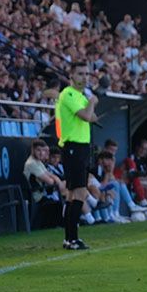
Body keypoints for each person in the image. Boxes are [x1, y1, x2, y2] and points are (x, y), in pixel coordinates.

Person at [55, 63, 98, 249]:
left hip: (80, 148)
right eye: (80, 73)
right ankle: (72, 238)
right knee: (79, 192)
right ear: (71, 74)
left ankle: (70, 238)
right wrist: (93, 102)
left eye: (87, 74)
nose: (85, 77)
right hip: (73, 147)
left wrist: (90, 106)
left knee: (73, 194)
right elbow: (87, 116)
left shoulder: (80, 96)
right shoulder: (69, 94)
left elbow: (92, 117)